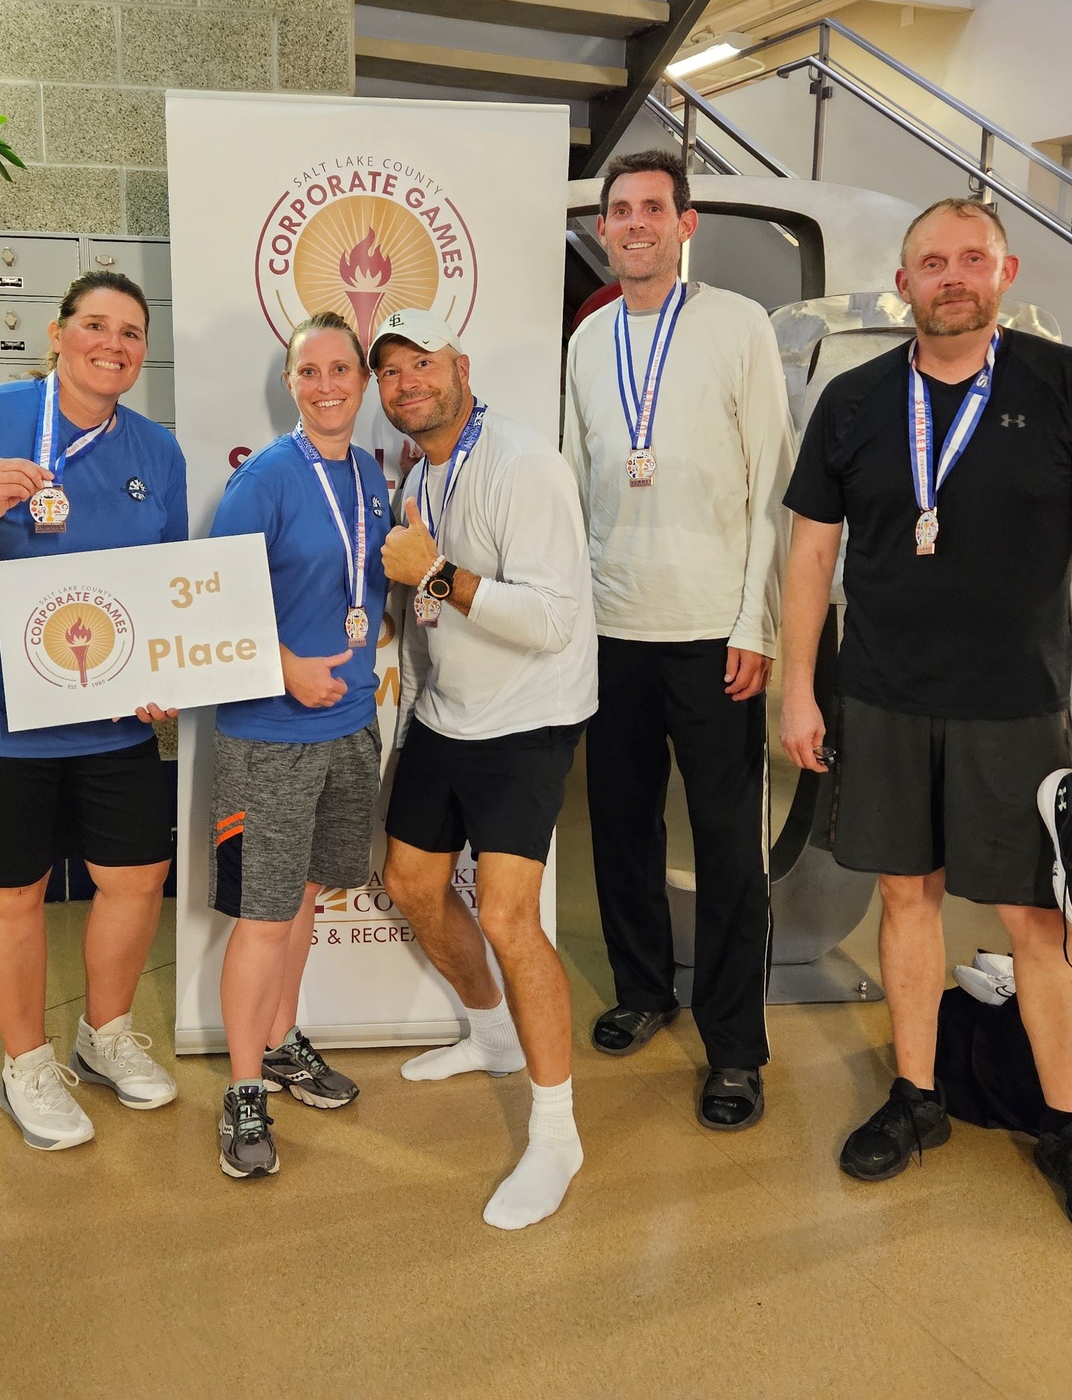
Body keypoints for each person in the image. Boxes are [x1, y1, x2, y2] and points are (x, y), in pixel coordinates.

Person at [778, 198, 1072, 1244]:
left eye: (969, 260)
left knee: (1036, 921)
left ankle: (1067, 1128)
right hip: (883, 696)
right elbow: (809, 557)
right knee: (904, 898)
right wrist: (798, 687)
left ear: (1004, 271)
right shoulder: (852, 401)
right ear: (901, 283)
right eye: (930, 262)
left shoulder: (1066, 384)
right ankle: (915, 1095)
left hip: (1016, 704)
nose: (950, 276)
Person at [0, 271, 184, 1152]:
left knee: (135, 877)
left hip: (109, 716)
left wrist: (164, 665)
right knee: (10, 890)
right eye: (96, 325)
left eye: (132, 332)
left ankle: (105, 1035)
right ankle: (26, 1066)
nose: (114, 344)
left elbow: (164, 590)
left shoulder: (155, 454)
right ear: (56, 335)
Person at [562, 149, 794, 1130]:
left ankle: (733, 1044)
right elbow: (573, 481)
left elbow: (771, 488)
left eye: (652, 208)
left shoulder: (737, 326)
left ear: (683, 224)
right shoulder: (586, 339)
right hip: (612, 626)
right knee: (619, 827)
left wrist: (757, 623)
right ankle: (643, 986)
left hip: (712, 634)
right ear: (604, 230)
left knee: (728, 848)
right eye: (619, 211)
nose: (634, 224)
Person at [368, 306, 599, 1231]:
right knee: (413, 884)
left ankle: (556, 1135)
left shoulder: (525, 464)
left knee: (507, 914)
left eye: (420, 363)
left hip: (528, 716)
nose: (405, 383)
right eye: (389, 373)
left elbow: (550, 621)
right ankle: (494, 1035)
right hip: (446, 713)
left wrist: (432, 576)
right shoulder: (419, 472)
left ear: (459, 364)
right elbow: (425, 615)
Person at [202, 312, 392, 1180]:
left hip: (350, 727)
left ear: (364, 380)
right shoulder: (266, 480)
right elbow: (215, 600)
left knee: (308, 892)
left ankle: (280, 1042)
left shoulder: (370, 476)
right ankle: (243, 1091)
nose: (325, 385)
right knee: (264, 914)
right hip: (271, 735)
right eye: (308, 371)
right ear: (291, 383)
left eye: (340, 370)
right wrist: (285, 670)